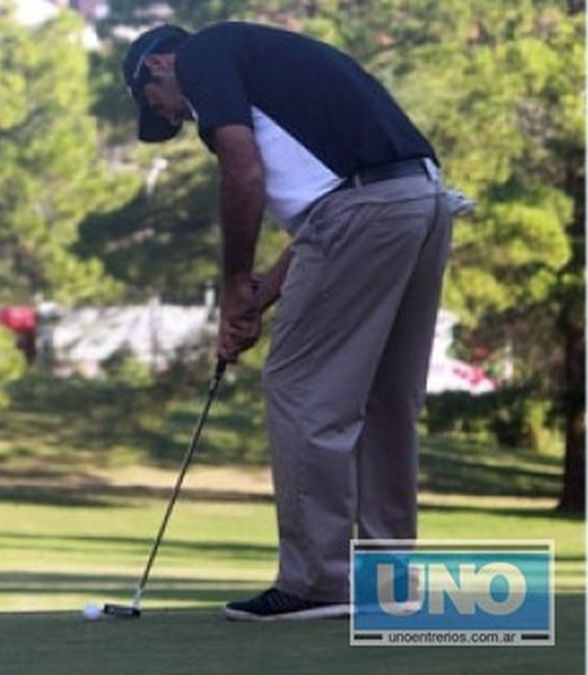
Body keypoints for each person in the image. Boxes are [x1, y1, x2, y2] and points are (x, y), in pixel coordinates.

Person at [122, 22, 454, 620]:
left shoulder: (201, 54)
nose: (178, 121)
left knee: (301, 387)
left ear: (158, 67)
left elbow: (244, 174)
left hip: (362, 213)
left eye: (161, 109)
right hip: (420, 202)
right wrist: (255, 301)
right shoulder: (271, 62)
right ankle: (389, 582)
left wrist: (230, 288)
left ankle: (318, 583)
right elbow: (318, 224)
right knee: (384, 397)